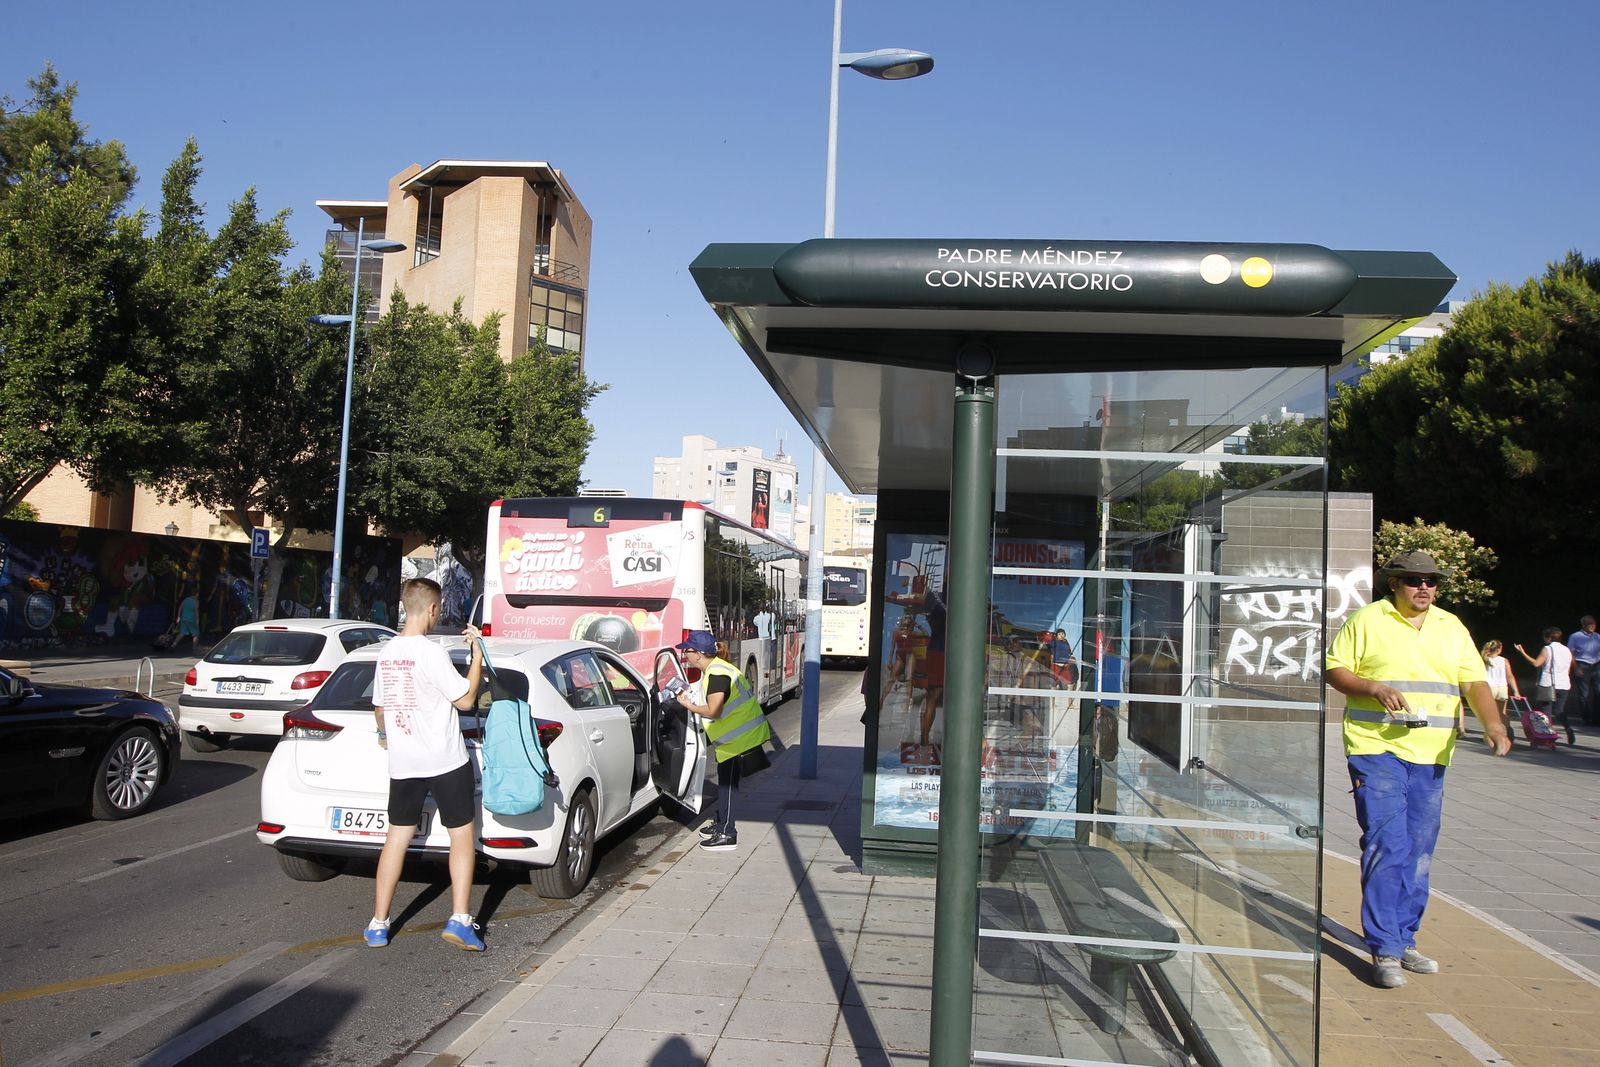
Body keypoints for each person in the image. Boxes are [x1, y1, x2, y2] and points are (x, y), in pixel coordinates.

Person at [1324, 550, 1510, 990]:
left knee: (1419, 852)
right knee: (1389, 843)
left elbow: (1474, 682)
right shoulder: (1369, 620)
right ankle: (1384, 947)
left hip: (1433, 755)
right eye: (1413, 579)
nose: (1423, 587)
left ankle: (1405, 938)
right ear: (1395, 583)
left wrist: (1495, 724)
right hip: (1375, 750)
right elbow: (1334, 669)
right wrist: (1370, 687)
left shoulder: (1451, 626)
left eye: (1431, 581)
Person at [365, 578, 485, 950]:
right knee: (461, 836)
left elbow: (381, 712)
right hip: (446, 760)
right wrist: (477, 652)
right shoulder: (431, 653)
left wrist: (389, 737)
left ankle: (378, 924)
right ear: (433, 609)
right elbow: (465, 701)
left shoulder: (386, 653)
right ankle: (461, 919)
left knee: (396, 838)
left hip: (404, 762)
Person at [674, 630, 772, 853]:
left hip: (738, 739)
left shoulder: (717, 674)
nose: (685, 654)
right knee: (729, 784)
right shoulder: (717, 668)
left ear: (699, 654)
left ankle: (728, 834)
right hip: (739, 736)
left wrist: (687, 705)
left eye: (687, 650)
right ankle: (721, 823)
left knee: (728, 786)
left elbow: (714, 710)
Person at [1516, 627, 1575, 745]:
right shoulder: (1567, 650)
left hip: (1548, 684)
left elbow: (1536, 663)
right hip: (1564, 684)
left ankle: (1548, 736)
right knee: (1559, 710)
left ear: (1548, 638)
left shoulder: (1547, 649)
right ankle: (1568, 728)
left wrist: (1522, 652)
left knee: (1546, 712)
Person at [1478, 640, 1521, 741]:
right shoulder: (1504, 660)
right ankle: (1509, 732)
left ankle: (1488, 735)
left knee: (1488, 713)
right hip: (1502, 688)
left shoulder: (1484, 660)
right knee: (1502, 713)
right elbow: (1510, 676)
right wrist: (1516, 691)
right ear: (1498, 650)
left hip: (1489, 688)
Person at [1567, 615, 1600, 726]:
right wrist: (1575, 667)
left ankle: (1597, 718)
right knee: (1584, 693)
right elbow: (1570, 652)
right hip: (1582, 664)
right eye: (1590, 625)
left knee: (1598, 692)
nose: (1593, 627)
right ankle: (1587, 718)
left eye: (1594, 625)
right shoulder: (1575, 636)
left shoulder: (1597, 636)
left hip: (1596, 665)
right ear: (1584, 625)